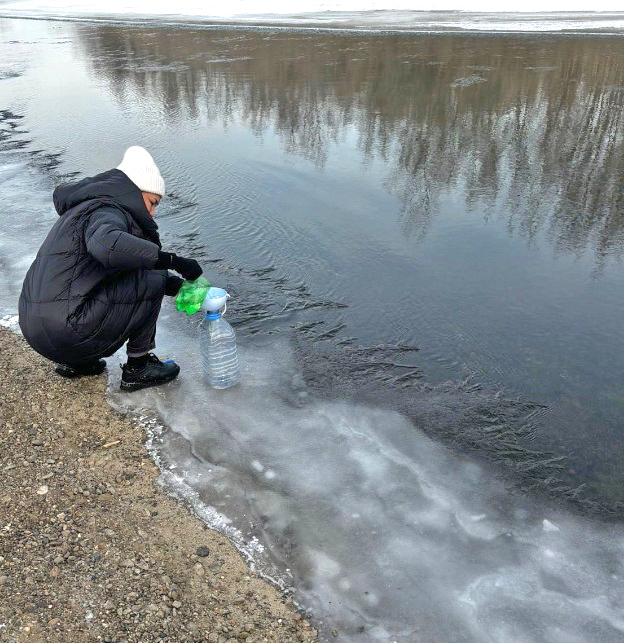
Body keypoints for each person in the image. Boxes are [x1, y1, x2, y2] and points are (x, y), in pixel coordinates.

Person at [19, 146, 202, 392]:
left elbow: (115, 268)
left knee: (146, 269)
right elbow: (108, 245)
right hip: (67, 329)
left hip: (36, 331)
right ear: (134, 192)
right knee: (154, 274)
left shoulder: (85, 209)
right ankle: (139, 367)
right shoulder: (107, 211)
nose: (152, 212)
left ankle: (77, 362)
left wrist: (179, 287)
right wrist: (174, 261)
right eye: (152, 202)